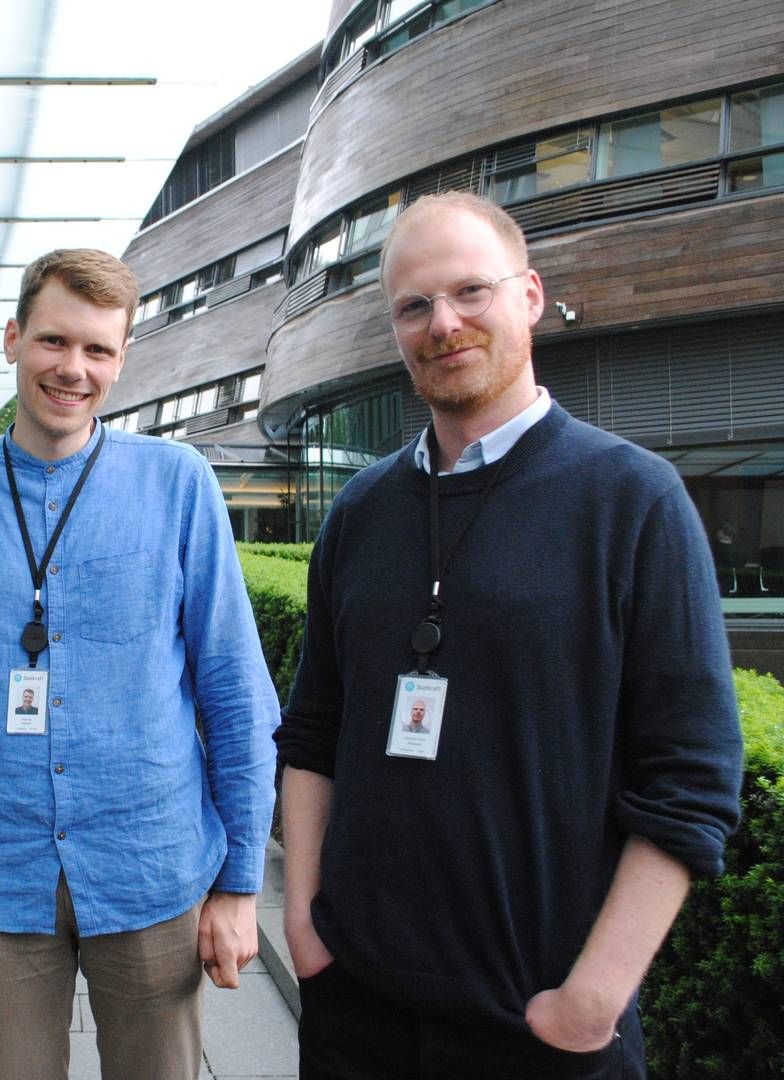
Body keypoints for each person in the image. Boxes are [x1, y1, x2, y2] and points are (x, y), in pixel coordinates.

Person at [275, 192, 742, 1079]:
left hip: (540, 1033)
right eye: (413, 305)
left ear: (528, 296)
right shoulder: (361, 512)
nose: (442, 324)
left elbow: (690, 781)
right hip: (354, 1015)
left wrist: (590, 1003)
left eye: (469, 292)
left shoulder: (632, 501)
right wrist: (304, 923)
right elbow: (312, 735)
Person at [0, 248, 278, 1079]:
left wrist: (240, 885)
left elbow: (236, 691)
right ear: (14, 338)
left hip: (154, 868)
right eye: (55, 341)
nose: (73, 368)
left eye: (98, 350)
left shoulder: (177, 483)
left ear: (122, 359)